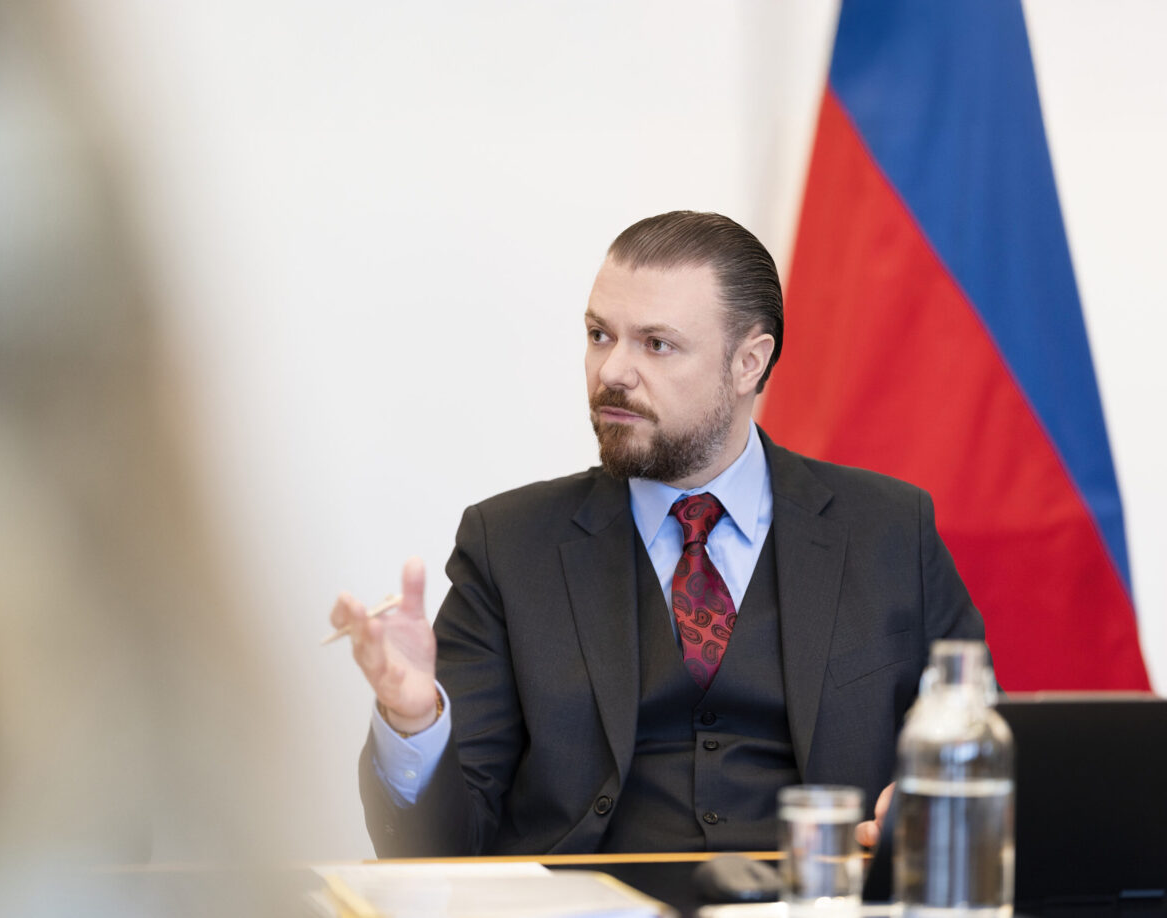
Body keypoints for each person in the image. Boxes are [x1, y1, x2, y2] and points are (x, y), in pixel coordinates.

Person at [331, 211, 986, 857]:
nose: (612, 371)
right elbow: (443, 849)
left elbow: (982, 750)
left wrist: (939, 796)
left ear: (748, 363)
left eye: (656, 344)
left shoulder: (889, 530)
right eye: (599, 335)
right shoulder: (506, 546)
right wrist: (414, 721)